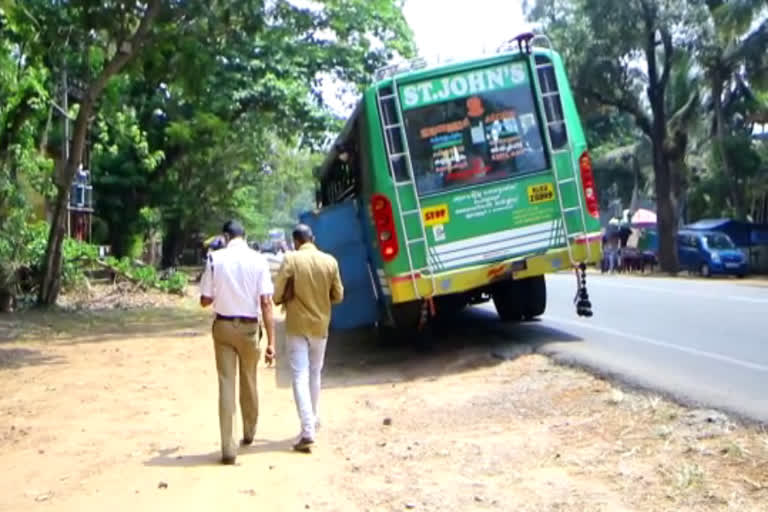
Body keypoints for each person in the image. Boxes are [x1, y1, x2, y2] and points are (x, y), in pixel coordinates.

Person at [199, 220, 275, 465]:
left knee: (226, 384)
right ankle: (250, 432)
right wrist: (272, 341)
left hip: (222, 327)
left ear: (225, 236)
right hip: (250, 328)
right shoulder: (259, 260)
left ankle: (228, 448)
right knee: (249, 379)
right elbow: (266, 303)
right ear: (245, 235)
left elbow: (205, 300)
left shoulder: (214, 259)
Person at [274, 224, 343, 453]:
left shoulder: (291, 260)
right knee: (315, 373)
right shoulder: (330, 261)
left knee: (300, 376)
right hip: (320, 326)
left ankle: (307, 430)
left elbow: (276, 295)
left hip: (296, 326)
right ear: (312, 238)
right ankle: (312, 420)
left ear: (295, 241)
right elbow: (338, 295)